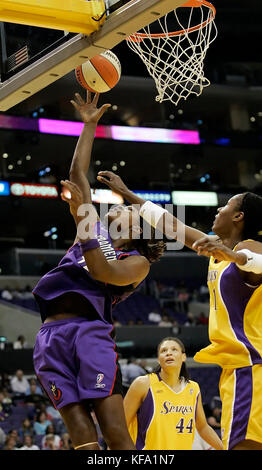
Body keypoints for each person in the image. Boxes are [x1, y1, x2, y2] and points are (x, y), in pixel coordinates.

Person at [32, 91, 165, 451]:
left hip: (90, 334)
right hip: (50, 336)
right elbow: (78, 174)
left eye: (126, 211)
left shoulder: (137, 263)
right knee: (79, 432)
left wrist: (84, 220)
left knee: (115, 432)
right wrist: (88, 126)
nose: (117, 210)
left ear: (138, 230)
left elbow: (103, 271)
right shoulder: (94, 229)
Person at [98, 173, 262, 451]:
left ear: (239, 217)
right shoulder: (215, 249)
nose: (218, 210)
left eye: (225, 207)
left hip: (250, 367)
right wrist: (129, 194)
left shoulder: (246, 248)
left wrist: (234, 256)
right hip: (239, 368)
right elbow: (172, 225)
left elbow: (257, 262)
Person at [124, 337, 223, 450]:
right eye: (163, 351)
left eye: (174, 349)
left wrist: (222, 448)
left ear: (184, 357)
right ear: (158, 359)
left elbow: (203, 427)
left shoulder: (193, 388)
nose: (168, 353)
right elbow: (120, 426)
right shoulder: (143, 384)